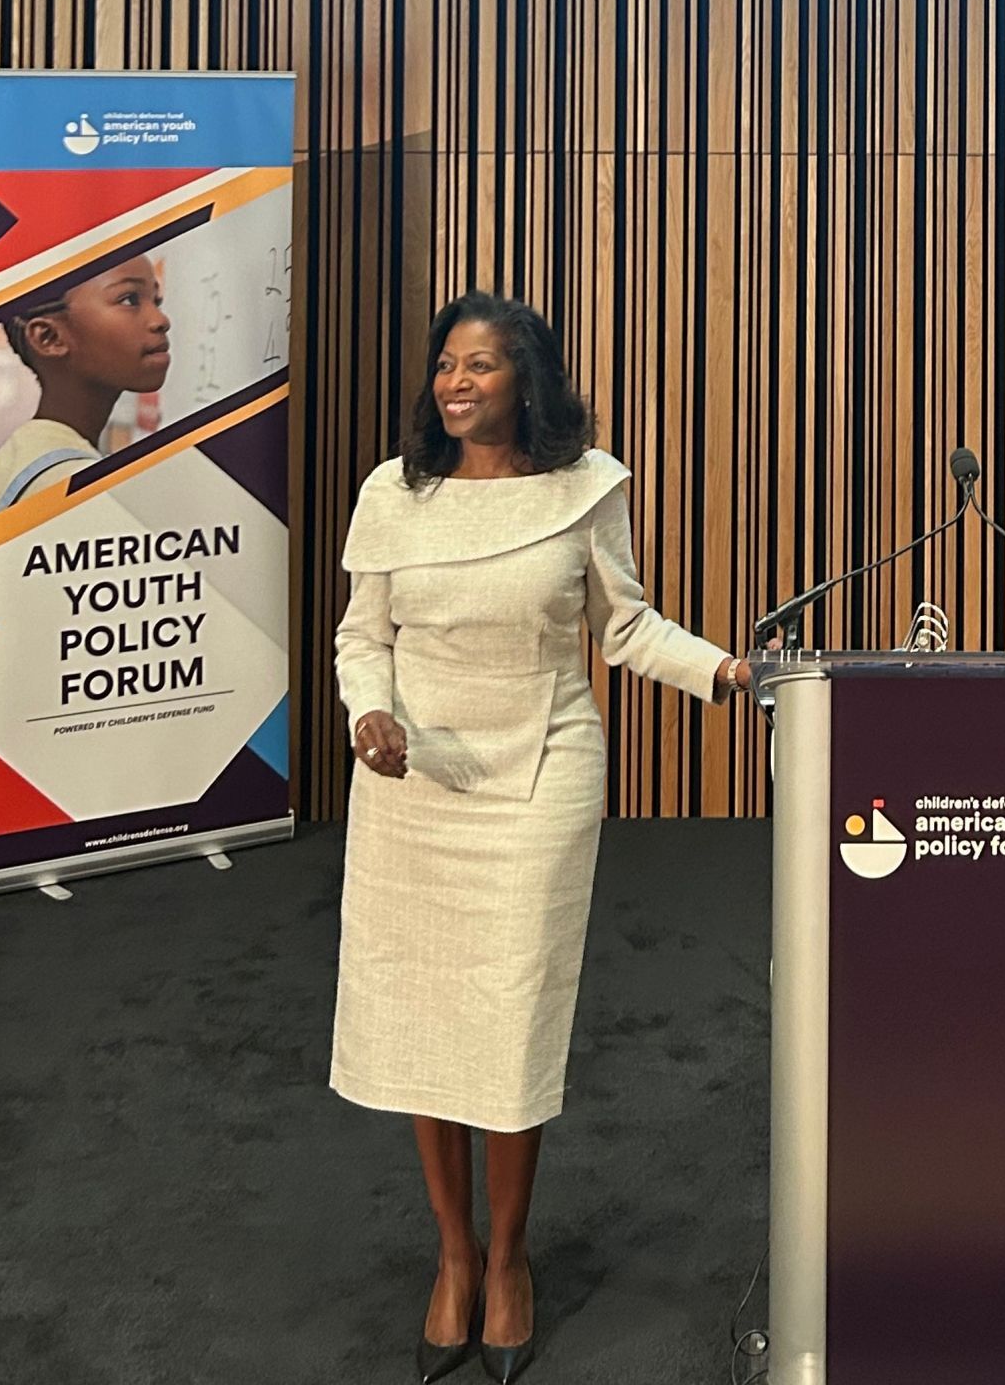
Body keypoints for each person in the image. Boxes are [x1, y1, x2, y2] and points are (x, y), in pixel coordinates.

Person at [330, 291, 751, 1383]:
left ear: (526, 379)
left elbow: (625, 627)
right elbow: (362, 639)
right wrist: (367, 713)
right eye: (445, 364)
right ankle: (453, 1254)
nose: (456, 382)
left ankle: (510, 1256)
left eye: (480, 364)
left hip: (540, 776)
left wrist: (722, 672)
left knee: (509, 1019)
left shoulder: (583, 487)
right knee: (422, 1016)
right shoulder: (393, 493)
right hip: (413, 780)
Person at [0, 253, 171, 521]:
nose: (161, 320)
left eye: (156, 300)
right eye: (129, 300)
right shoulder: (69, 484)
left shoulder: (19, 457)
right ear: (49, 337)